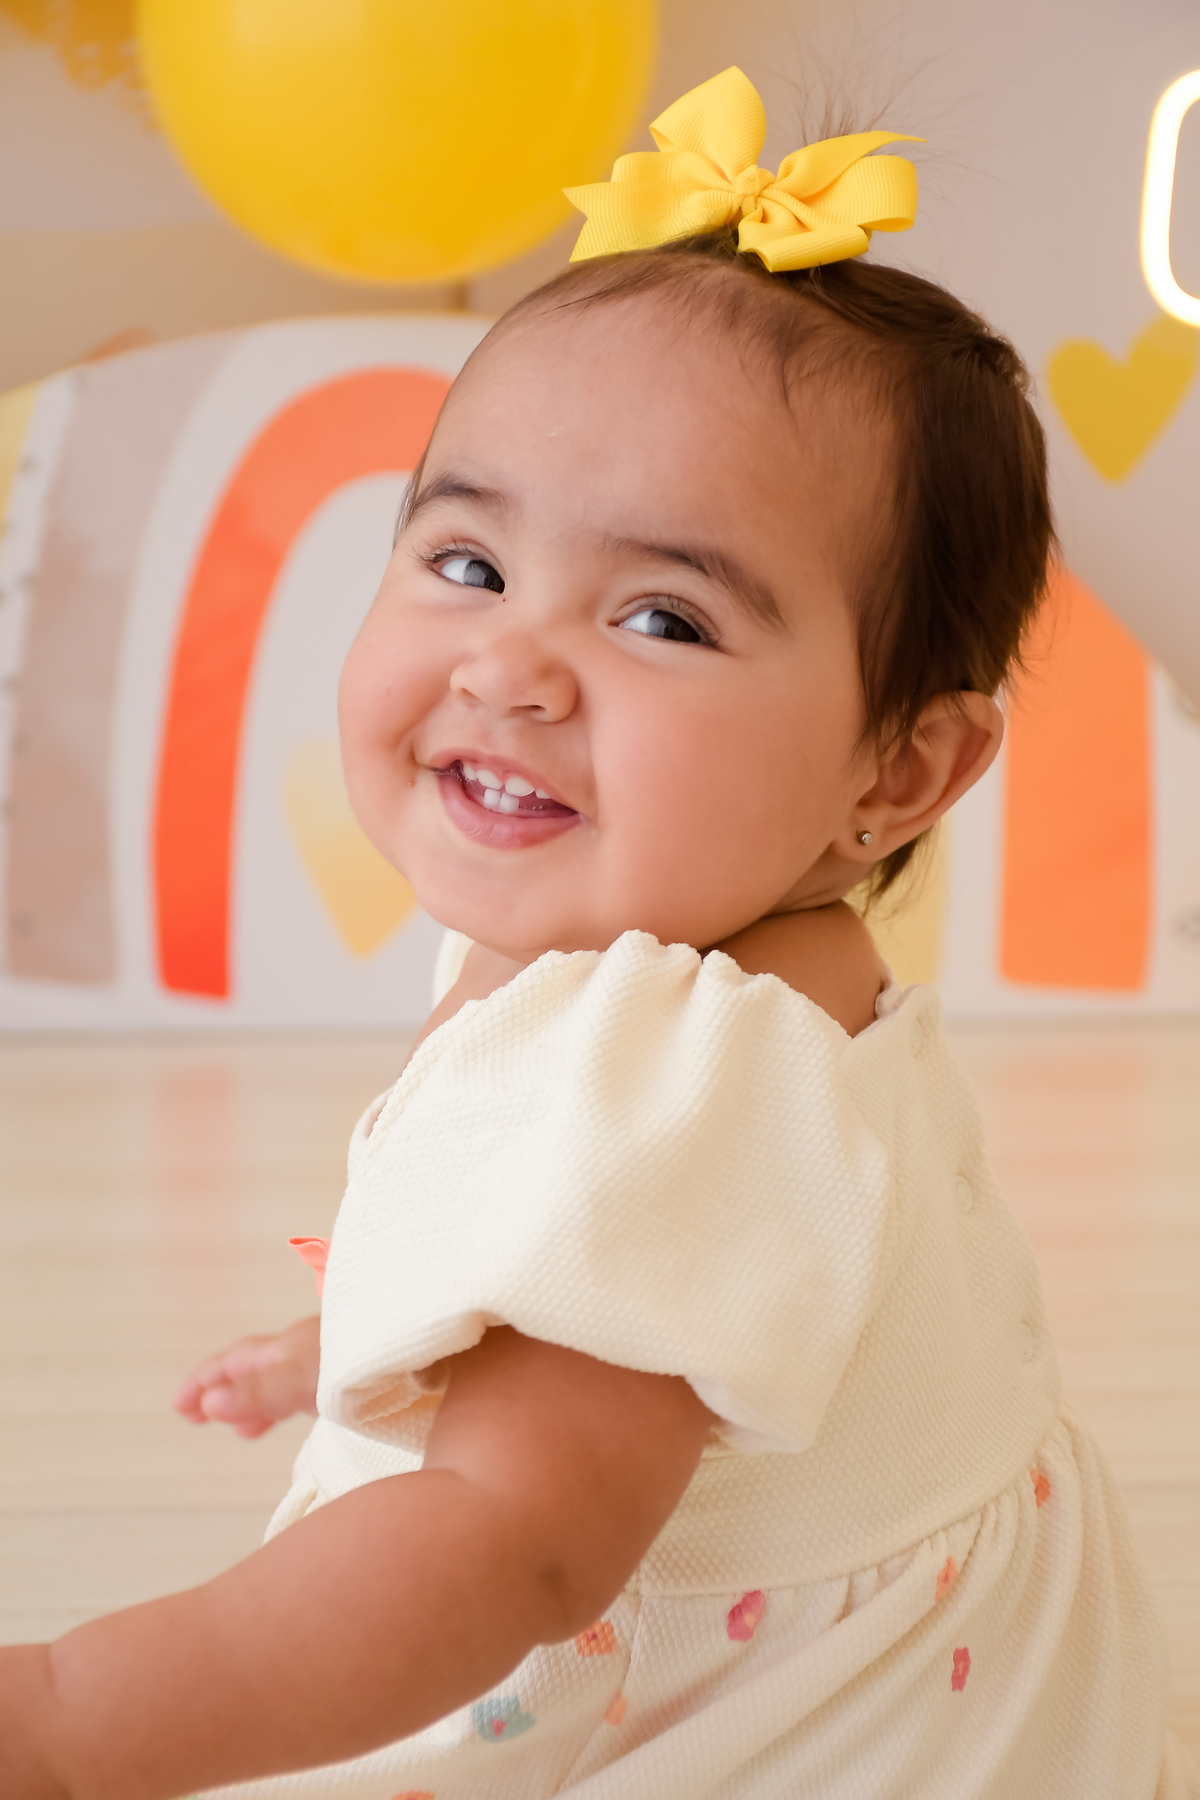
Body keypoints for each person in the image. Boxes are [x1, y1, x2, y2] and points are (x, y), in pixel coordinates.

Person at [2, 65, 1194, 1800]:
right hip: (985, 1675)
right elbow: (603, 1280)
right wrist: (362, 1339)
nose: (512, 665)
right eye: (469, 564)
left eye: (663, 617)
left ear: (899, 770)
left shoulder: (674, 1095)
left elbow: (511, 1554)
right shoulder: (732, 968)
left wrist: (59, 1721)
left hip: (782, 1731)